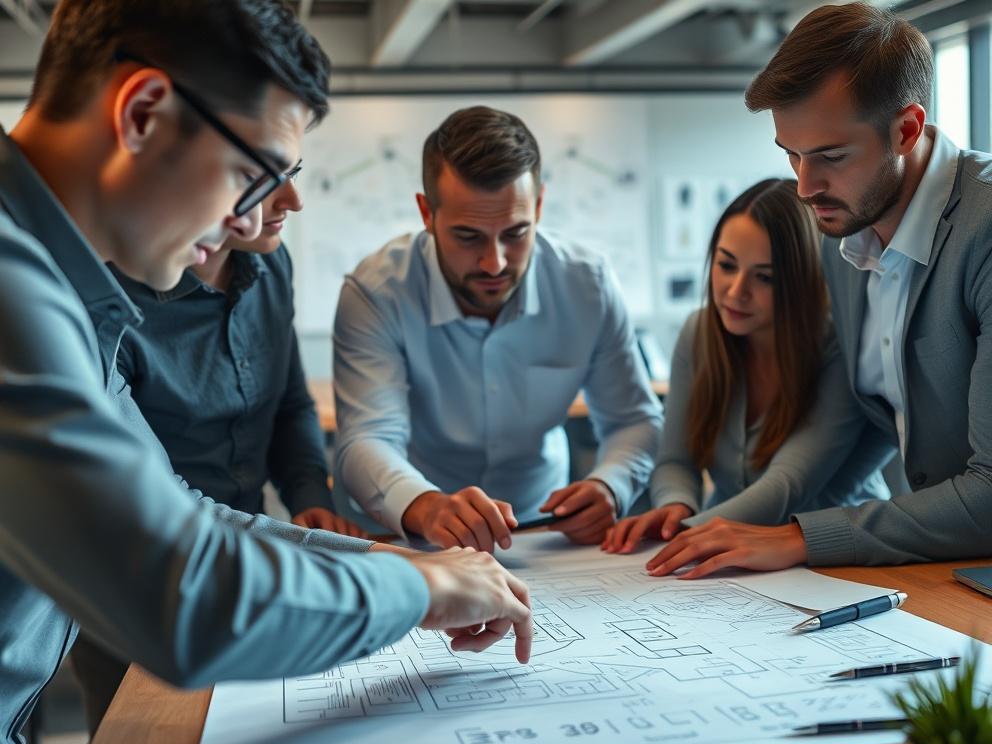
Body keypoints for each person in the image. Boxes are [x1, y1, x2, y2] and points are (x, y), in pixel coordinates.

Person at [0, 3, 531, 744]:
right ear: (143, 114)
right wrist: (425, 593)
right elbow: (181, 602)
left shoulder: (53, 279)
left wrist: (391, 565)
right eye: (252, 174)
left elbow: (176, 513)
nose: (247, 221)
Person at [644, 1, 992, 579]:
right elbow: (866, 428)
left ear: (906, 130)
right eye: (791, 155)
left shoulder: (984, 231)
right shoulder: (845, 234)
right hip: (944, 569)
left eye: (830, 156)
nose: (805, 187)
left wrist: (801, 536)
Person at [70, 170, 369, 733]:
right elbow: (165, 508)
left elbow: (290, 402)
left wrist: (308, 494)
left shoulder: (270, 264)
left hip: (249, 567)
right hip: (137, 589)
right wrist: (389, 573)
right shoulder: (106, 307)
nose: (294, 200)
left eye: (294, 173)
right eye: (265, 175)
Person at [333, 106, 663, 553]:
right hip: (409, 531)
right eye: (468, 236)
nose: (495, 263)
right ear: (426, 213)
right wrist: (426, 506)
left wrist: (611, 484)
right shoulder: (375, 293)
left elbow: (633, 419)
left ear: (539, 206)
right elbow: (367, 437)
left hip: (539, 531)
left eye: (516, 233)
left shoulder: (588, 285)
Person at [602, 179, 891, 555]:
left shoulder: (840, 345)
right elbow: (675, 459)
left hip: (834, 554)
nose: (736, 291)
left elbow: (787, 485)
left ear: (802, 281)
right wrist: (676, 507)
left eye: (764, 277)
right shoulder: (699, 334)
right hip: (728, 552)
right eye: (726, 265)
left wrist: (684, 532)